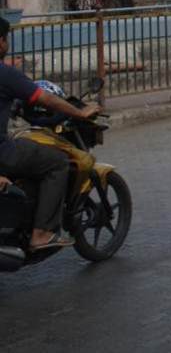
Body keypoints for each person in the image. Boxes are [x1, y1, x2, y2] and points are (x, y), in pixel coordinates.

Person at [0, 17, 100, 251]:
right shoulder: (6, 74)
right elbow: (44, 98)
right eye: (7, 39)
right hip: (2, 152)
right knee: (57, 162)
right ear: (1, 41)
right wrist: (79, 112)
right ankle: (42, 233)